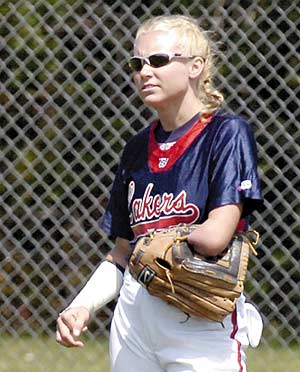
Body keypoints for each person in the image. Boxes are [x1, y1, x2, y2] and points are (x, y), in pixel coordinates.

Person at [56, 14, 264, 371]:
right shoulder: (136, 149)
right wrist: (82, 305)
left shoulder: (226, 133)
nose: (144, 71)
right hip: (135, 316)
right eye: (137, 63)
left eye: (158, 60)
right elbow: (123, 253)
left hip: (198, 317)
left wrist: (154, 245)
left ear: (196, 66)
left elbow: (216, 236)